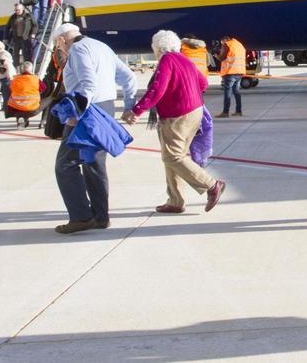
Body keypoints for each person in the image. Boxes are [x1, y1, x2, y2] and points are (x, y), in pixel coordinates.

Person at [124, 30, 225, 214]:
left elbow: (157, 89)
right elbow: (202, 83)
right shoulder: (184, 58)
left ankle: (211, 185)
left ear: (157, 48)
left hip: (178, 115)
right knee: (173, 156)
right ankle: (176, 200)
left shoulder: (167, 60)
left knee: (173, 157)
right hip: (195, 111)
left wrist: (137, 110)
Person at [52, 23, 138, 235]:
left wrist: (77, 112)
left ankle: (81, 217)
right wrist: (128, 105)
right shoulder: (102, 46)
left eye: (57, 44)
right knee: (94, 164)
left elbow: (88, 84)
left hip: (87, 111)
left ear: (62, 39)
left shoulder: (78, 50)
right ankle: (101, 216)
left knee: (65, 164)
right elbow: (129, 77)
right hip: (106, 107)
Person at [4, 61, 43, 128]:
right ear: (31, 70)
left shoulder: (15, 79)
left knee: (18, 106)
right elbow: (43, 89)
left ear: (21, 70)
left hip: (17, 108)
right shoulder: (36, 79)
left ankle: (21, 120)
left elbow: (10, 89)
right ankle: (43, 121)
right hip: (32, 109)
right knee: (50, 98)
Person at [216, 35, 246, 118]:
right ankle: (238, 111)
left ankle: (225, 112)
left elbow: (221, 58)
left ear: (224, 40)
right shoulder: (239, 44)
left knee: (227, 92)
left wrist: (215, 54)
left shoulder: (227, 44)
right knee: (236, 91)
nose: (222, 45)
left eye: (222, 43)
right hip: (239, 71)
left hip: (231, 72)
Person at [4, 3, 38, 68]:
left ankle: (28, 68)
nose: (16, 11)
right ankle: (16, 68)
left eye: (18, 10)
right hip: (16, 38)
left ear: (22, 9)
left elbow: (35, 25)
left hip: (25, 38)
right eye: (15, 10)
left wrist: (33, 33)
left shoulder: (29, 16)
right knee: (15, 55)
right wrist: (5, 38)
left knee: (26, 54)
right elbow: (7, 27)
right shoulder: (13, 17)